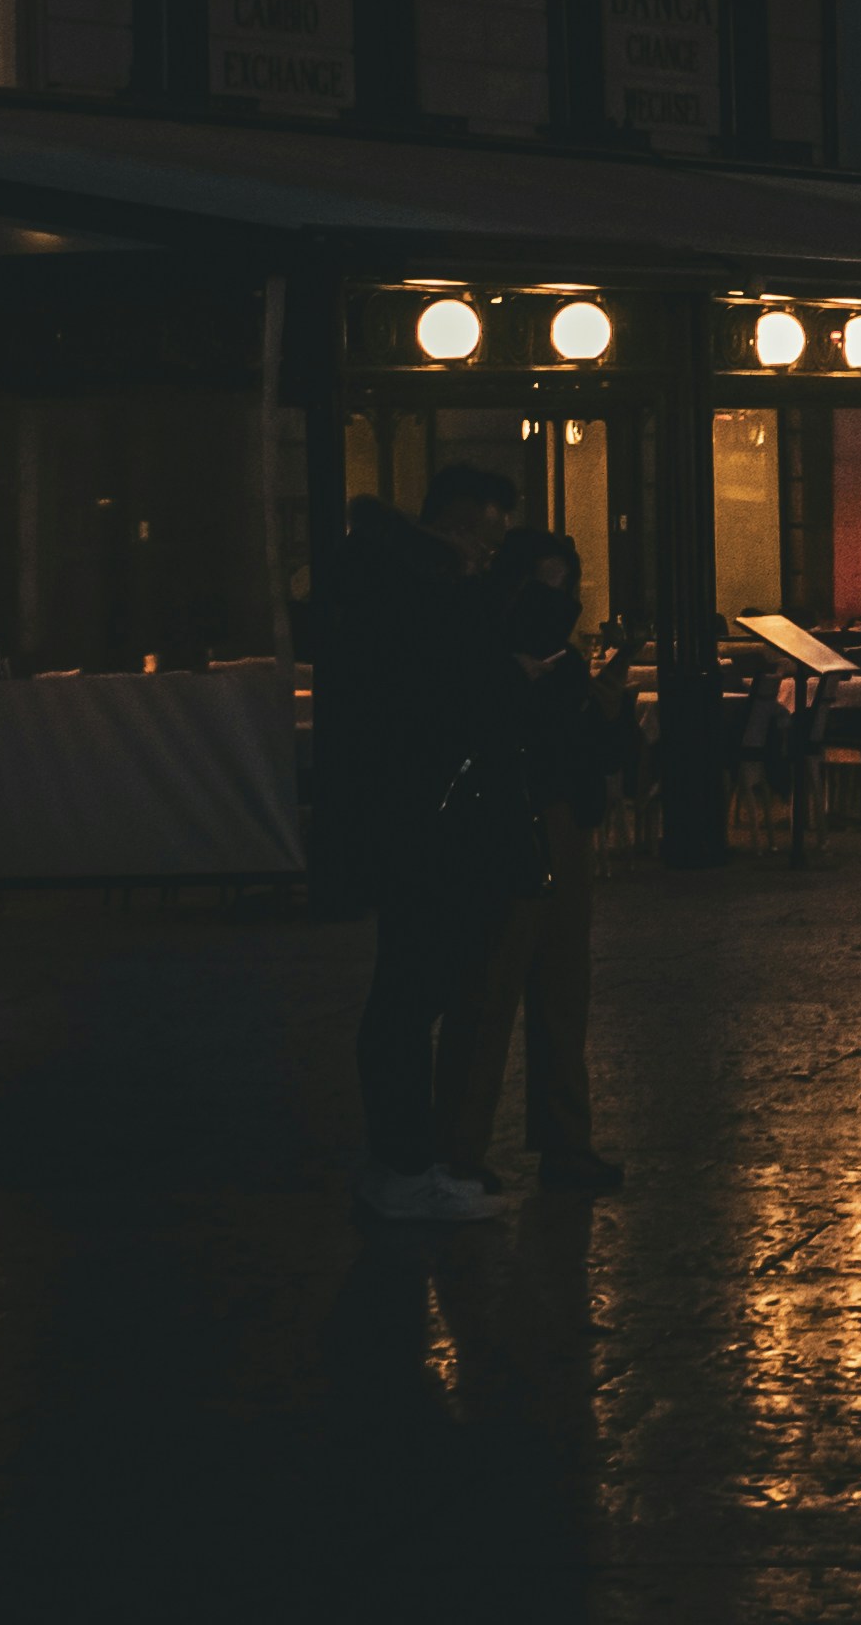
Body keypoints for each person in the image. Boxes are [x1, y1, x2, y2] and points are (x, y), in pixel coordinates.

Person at [317, 459, 531, 1223]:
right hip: (424, 821)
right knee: (411, 994)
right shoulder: (420, 593)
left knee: (406, 992)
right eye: (485, 540)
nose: (488, 555)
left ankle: (398, 1160)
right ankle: (404, 1164)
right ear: (461, 522)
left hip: (396, 816)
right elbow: (449, 696)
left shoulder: (376, 580)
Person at [437, 528, 623, 1196]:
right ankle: (462, 1147)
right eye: (547, 587)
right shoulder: (488, 652)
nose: (559, 603)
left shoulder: (557, 658)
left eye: (565, 588)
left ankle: (561, 1141)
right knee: (492, 990)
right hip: (514, 818)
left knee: (561, 989)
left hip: (562, 817)